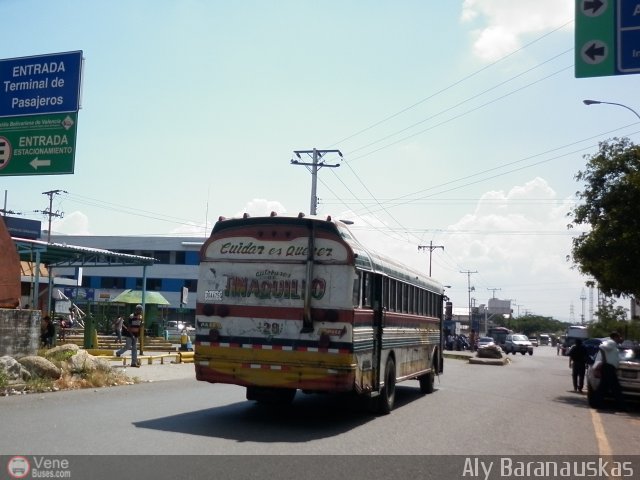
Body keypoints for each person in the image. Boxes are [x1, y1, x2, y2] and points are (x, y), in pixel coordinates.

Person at [593, 331, 627, 411]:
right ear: (615, 337)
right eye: (618, 337)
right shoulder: (611, 342)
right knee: (615, 387)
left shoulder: (614, 344)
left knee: (603, 387)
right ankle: (621, 406)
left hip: (609, 368)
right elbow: (601, 347)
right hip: (608, 367)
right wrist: (604, 359)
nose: (620, 338)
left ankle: (597, 403)